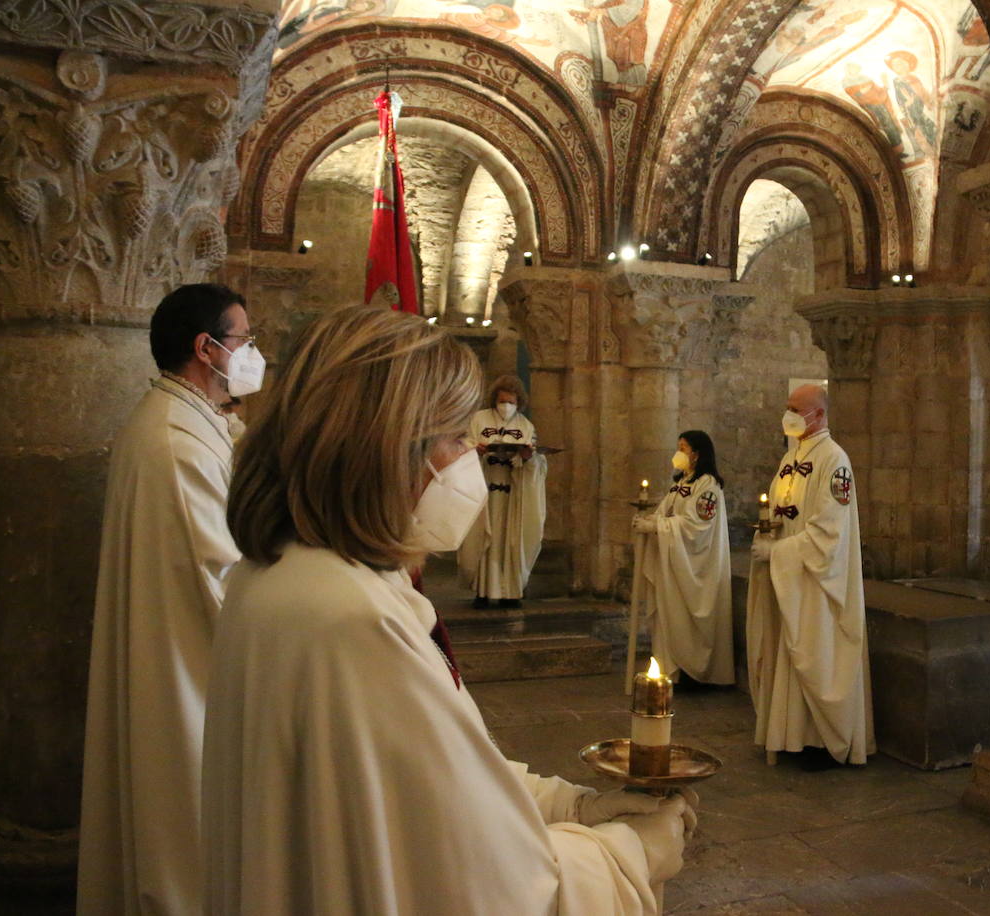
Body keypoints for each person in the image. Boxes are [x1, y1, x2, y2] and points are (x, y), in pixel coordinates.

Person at [204, 305, 693, 914]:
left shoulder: (283, 573)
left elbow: (439, 789)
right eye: (456, 437)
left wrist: (577, 808)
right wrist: (632, 852)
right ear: (390, 449)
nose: (468, 456)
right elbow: (488, 887)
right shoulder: (353, 621)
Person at [78, 283, 262, 915]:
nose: (250, 353)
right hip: (187, 665)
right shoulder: (174, 442)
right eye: (242, 340)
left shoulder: (187, 418)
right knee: (187, 828)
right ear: (204, 348)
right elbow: (222, 574)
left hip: (183, 650)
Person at [746, 384, 874, 771]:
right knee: (786, 655)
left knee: (816, 654)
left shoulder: (835, 460)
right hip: (791, 579)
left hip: (817, 584)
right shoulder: (792, 458)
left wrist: (780, 552)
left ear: (818, 415)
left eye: (794, 409)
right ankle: (791, 737)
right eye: (787, 408)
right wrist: (766, 536)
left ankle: (820, 741)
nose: (788, 414)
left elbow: (828, 532)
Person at [632, 430, 734, 686]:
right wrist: (649, 521)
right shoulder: (681, 483)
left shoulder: (707, 485)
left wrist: (658, 527)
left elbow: (696, 526)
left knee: (687, 618)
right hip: (674, 564)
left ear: (697, 454)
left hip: (695, 567)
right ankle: (671, 670)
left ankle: (693, 672)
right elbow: (665, 513)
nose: (678, 453)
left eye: (683, 448)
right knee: (669, 617)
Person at [458, 375, 546, 609]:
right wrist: (475, 451)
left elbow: (536, 460)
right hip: (484, 490)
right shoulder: (479, 419)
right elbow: (464, 446)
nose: (506, 406)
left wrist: (527, 458)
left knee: (510, 541)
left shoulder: (525, 426)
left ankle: (510, 592)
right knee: (483, 539)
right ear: (494, 399)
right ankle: (483, 591)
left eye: (511, 402)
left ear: (519, 403)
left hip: (512, 495)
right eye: (502, 400)